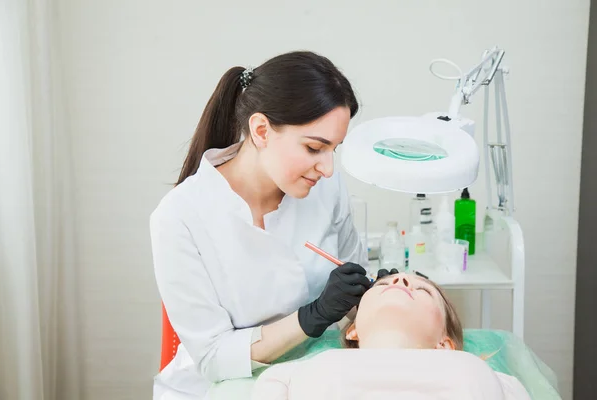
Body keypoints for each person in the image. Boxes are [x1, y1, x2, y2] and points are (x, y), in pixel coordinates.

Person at [149, 51, 372, 399]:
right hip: (215, 388)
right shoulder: (180, 216)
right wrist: (309, 317)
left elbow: (355, 292)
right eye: (315, 148)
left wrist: (373, 294)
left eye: (334, 150)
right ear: (261, 130)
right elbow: (212, 356)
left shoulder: (328, 190)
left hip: (312, 379)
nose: (327, 168)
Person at [251, 272, 531, 399]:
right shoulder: (291, 375)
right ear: (353, 329)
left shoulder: (488, 376)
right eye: (384, 283)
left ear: (444, 344)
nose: (401, 280)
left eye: (423, 290)